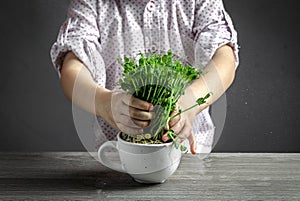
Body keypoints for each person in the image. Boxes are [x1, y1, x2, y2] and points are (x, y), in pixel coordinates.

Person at [50, 0, 239, 154]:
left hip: (190, 154)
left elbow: (224, 58)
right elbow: (73, 68)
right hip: (115, 156)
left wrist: (192, 100)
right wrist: (103, 103)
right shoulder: (92, 3)